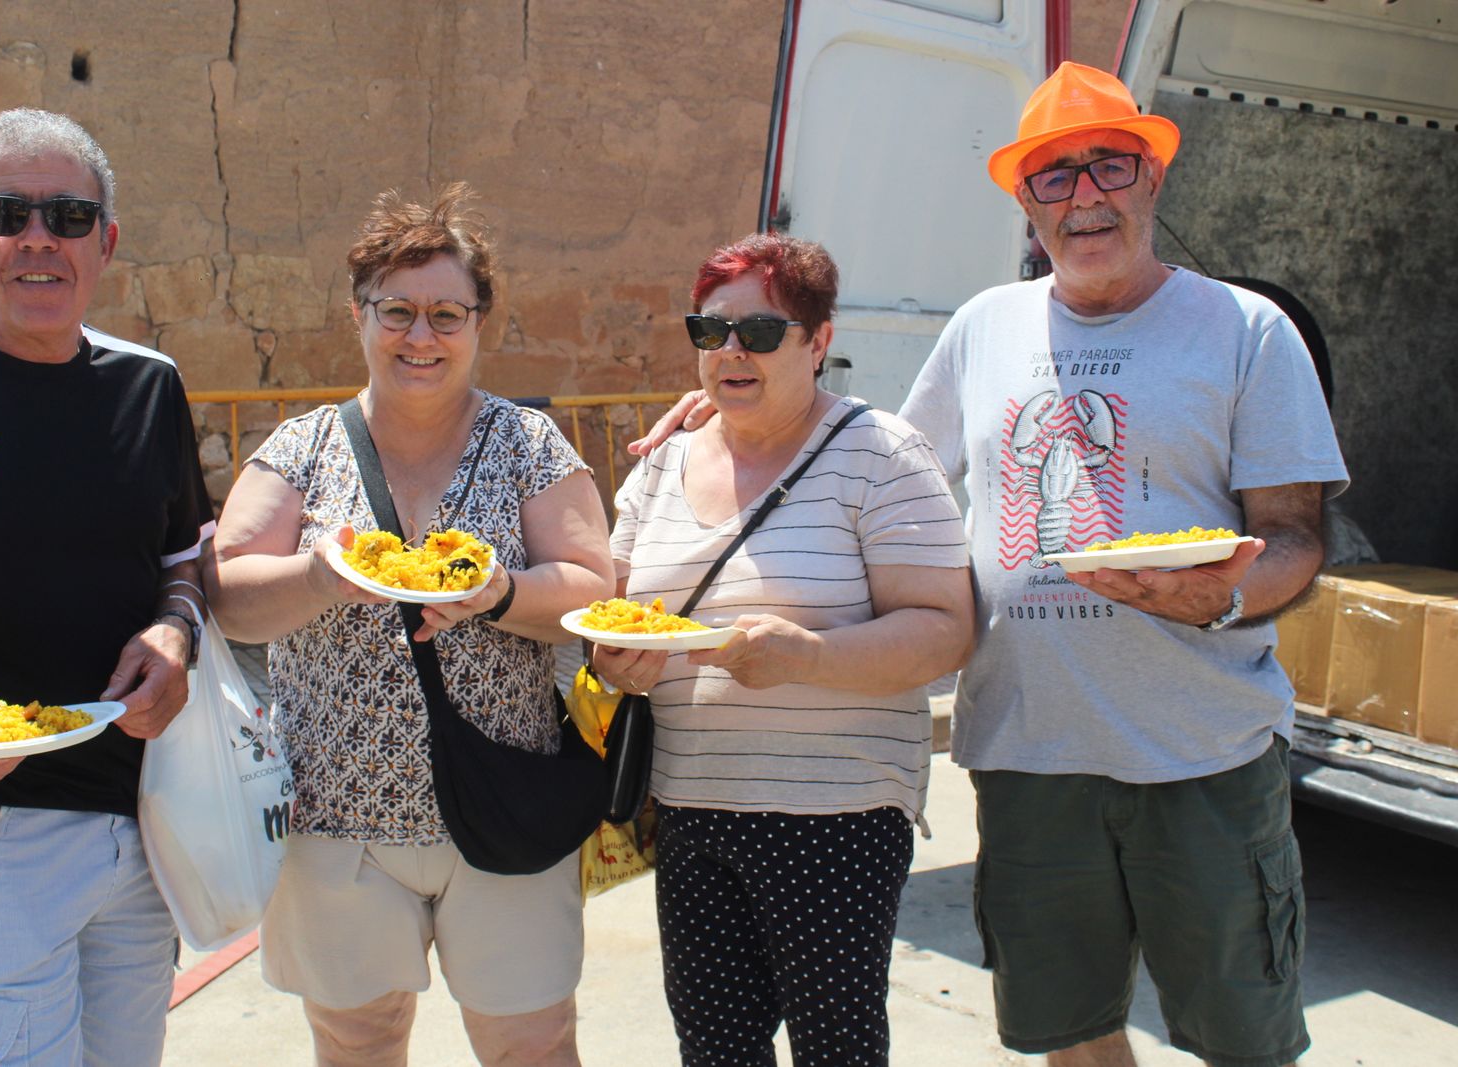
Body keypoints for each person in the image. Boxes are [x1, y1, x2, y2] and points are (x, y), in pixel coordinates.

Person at [631, 63, 1347, 1067]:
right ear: (1025, 201)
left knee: (1243, 1037)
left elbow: (1297, 536)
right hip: (1026, 750)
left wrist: (1220, 594)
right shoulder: (982, 327)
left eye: (1109, 165)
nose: (1083, 194)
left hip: (1203, 750)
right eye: (1054, 176)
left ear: (1152, 180)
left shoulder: (1245, 329)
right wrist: (739, 392)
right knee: (1072, 1030)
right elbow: (873, 451)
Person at [206, 183, 614, 1067]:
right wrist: (321, 574)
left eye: (445, 313)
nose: (420, 337)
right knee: (356, 1044)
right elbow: (229, 590)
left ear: (479, 322)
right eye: (397, 311)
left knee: (533, 1045)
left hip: (504, 807)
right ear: (360, 315)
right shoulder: (303, 447)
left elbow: (590, 585)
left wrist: (500, 592)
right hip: (337, 815)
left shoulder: (528, 444)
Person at [0, 109, 214, 1065]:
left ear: (106, 240)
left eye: (65, 215)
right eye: (6, 211)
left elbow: (183, 557)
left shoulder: (151, 387)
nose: (35, 238)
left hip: (145, 822)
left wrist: (176, 632)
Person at [590, 233, 973, 1066]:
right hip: (690, 811)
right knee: (716, 1050)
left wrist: (810, 657)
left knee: (836, 1050)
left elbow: (947, 627)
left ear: (818, 341)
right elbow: (611, 611)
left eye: (759, 333)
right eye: (710, 330)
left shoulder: (883, 455)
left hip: (833, 821)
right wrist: (611, 660)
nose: (731, 351)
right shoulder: (660, 466)